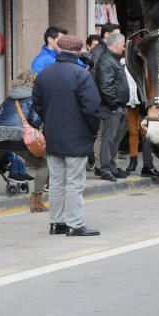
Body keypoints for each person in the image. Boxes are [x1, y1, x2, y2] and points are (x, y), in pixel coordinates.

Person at [32, 34, 102, 236]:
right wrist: (91, 131)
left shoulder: (45, 73)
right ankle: (75, 224)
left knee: (56, 182)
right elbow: (92, 108)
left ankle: (57, 222)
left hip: (53, 135)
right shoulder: (81, 75)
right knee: (74, 183)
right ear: (79, 51)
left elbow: (37, 103)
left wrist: (50, 120)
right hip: (77, 137)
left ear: (59, 50)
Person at [0, 70, 48, 213]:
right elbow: (35, 121)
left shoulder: (9, 98)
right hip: (19, 137)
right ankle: (36, 201)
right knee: (43, 164)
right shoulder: (34, 98)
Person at [94, 32, 131, 181]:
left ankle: (112, 167)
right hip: (111, 108)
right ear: (116, 45)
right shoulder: (107, 61)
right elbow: (106, 86)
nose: (123, 49)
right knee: (108, 139)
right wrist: (114, 105)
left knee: (115, 140)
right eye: (123, 45)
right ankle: (106, 169)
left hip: (118, 107)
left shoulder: (113, 60)